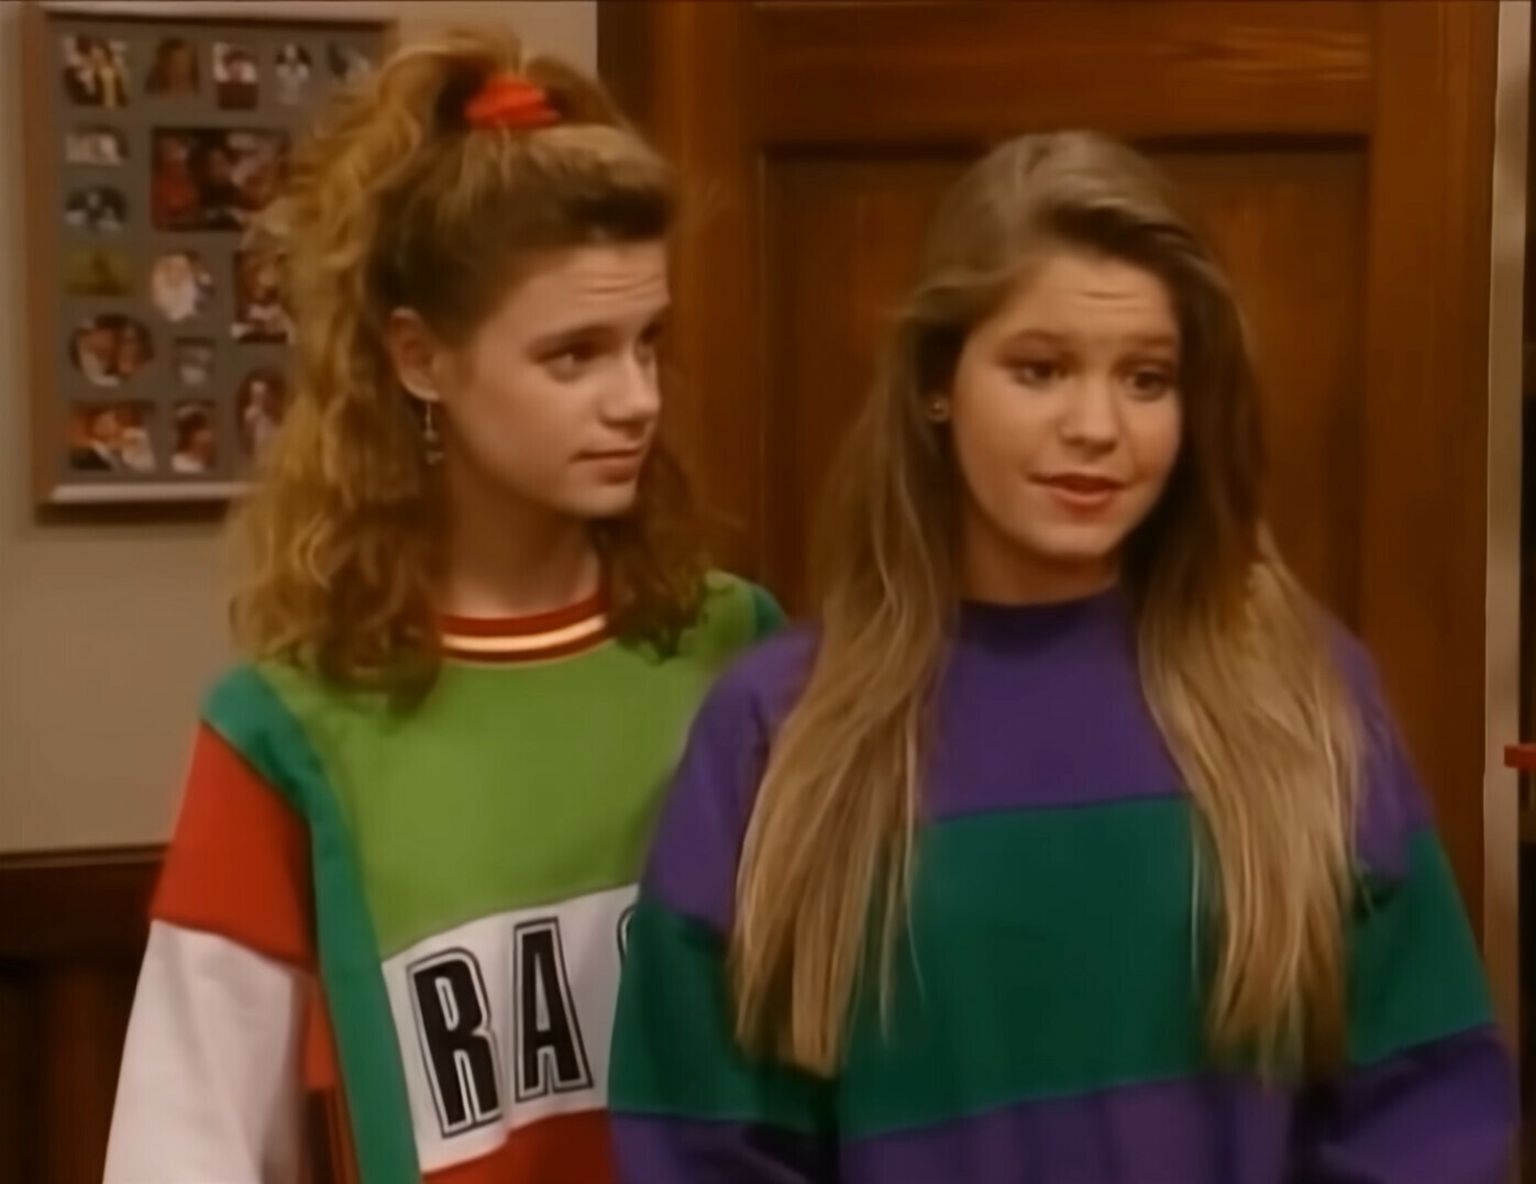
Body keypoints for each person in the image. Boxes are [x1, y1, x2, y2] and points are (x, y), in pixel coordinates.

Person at [609, 132, 1517, 1183]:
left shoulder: (1303, 697)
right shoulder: (777, 731)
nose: (1097, 426)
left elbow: (1426, 1103)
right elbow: (699, 1141)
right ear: (938, 382)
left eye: (1147, 378)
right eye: (1039, 370)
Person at [103, 26, 780, 1184]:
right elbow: (185, 1137)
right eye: (573, 355)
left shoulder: (738, 649)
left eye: (646, 343)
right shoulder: (290, 731)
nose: (635, 399)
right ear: (421, 358)